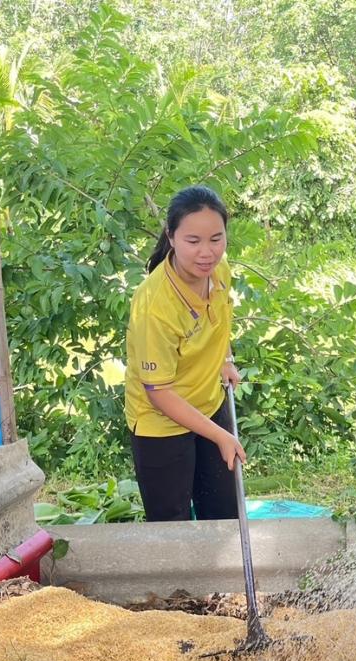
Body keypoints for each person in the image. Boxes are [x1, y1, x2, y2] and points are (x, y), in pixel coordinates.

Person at [125, 186, 244, 522]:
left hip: (209, 403)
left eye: (216, 239)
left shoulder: (219, 272)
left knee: (223, 514)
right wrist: (222, 435)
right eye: (193, 241)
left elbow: (218, 320)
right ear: (171, 237)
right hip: (160, 424)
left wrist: (225, 359)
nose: (207, 252)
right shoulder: (154, 305)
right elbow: (158, 392)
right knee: (171, 524)